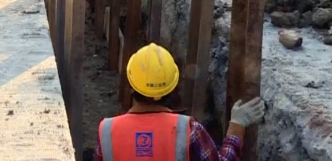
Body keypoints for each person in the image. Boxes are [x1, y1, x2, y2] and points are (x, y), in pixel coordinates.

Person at [94, 43, 265, 161]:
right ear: (173, 87)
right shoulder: (188, 129)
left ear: (131, 86)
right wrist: (236, 126)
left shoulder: (107, 131)